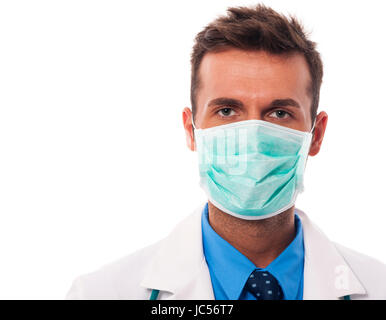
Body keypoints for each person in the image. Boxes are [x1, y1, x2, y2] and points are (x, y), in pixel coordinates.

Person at [66, 4, 386, 300]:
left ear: (316, 135)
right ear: (192, 131)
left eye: (278, 114)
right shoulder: (98, 293)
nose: (253, 137)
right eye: (227, 111)